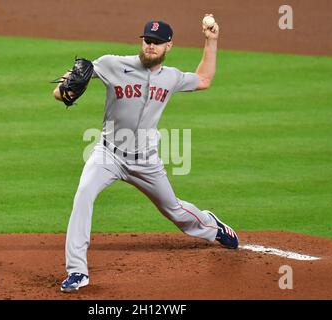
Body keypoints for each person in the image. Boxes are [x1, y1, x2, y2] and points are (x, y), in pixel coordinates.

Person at [53, 15, 239, 293]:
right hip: (108, 155)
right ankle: (77, 271)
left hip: (145, 160)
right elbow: (73, 81)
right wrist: (61, 91)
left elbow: (203, 79)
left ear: (169, 46)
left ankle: (212, 226)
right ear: (142, 42)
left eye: (157, 43)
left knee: (173, 209)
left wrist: (211, 41)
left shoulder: (171, 77)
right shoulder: (113, 64)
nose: (151, 46)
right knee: (83, 196)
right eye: (147, 41)